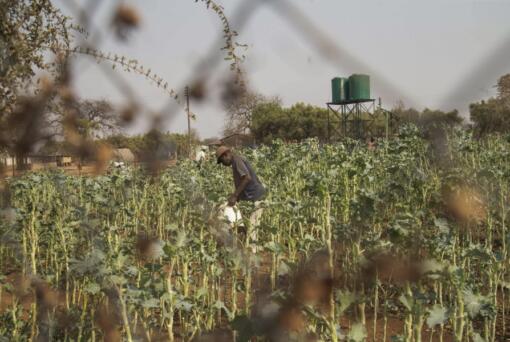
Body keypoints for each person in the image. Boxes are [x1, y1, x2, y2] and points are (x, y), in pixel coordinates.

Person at [216, 145, 266, 251]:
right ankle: (247, 247)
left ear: (226, 155)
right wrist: (237, 197)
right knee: (245, 224)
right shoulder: (236, 161)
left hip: (257, 196)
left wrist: (235, 195)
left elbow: (247, 178)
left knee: (253, 226)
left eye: (222, 161)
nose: (223, 164)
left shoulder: (237, 160)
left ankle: (253, 252)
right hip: (250, 198)